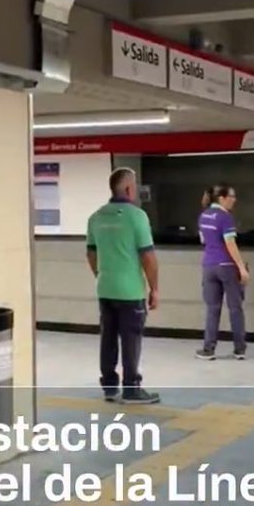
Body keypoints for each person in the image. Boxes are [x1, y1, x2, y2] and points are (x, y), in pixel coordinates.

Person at [85, 167, 161, 404]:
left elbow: (91, 253)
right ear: (129, 188)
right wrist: (154, 288)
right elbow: (148, 257)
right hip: (130, 291)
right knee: (131, 338)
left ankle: (109, 386)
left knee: (108, 337)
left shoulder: (95, 217)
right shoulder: (137, 216)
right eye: (135, 185)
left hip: (105, 287)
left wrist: (101, 274)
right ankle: (131, 388)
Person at [196, 184, 249, 361]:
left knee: (212, 309)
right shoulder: (225, 217)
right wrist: (241, 267)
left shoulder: (203, 216)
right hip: (227, 266)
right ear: (222, 198)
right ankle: (239, 349)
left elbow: (204, 241)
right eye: (231, 197)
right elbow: (230, 244)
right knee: (235, 308)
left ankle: (208, 349)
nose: (234, 200)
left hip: (209, 266)